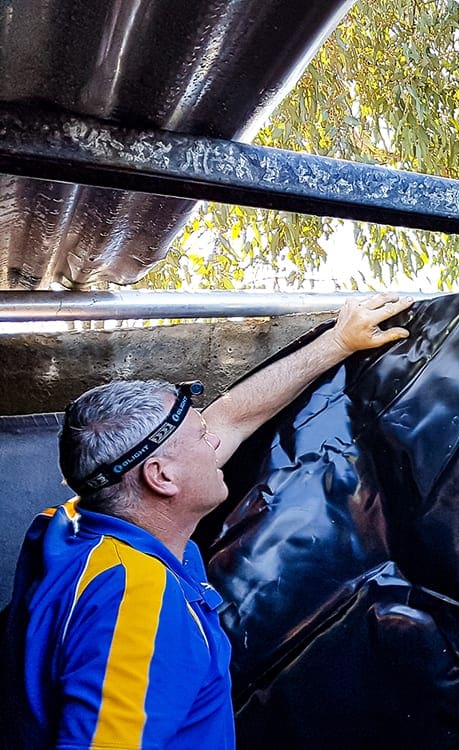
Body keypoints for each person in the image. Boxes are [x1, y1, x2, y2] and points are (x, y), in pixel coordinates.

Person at [0, 292, 413, 750]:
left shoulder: (66, 526)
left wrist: (337, 342)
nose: (215, 442)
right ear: (161, 477)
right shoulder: (135, 597)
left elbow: (230, 417)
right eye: (199, 438)